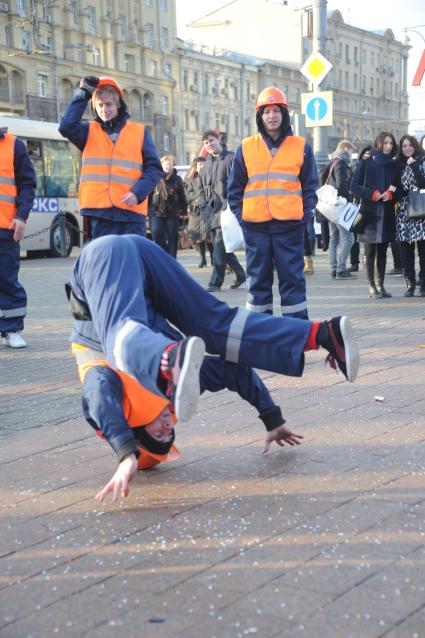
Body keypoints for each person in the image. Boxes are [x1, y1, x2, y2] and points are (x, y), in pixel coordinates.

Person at [67, 234, 360, 501]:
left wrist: (125, 454)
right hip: (142, 257)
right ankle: (322, 334)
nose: (168, 426)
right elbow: (234, 372)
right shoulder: (175, 394)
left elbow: (99, 397)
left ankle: (167, 359)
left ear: (135, 429)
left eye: (158, 433)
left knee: (120, 337)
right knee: (218, 326)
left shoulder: (113, 394)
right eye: (169, 434)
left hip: (101, 259)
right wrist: (271, 417)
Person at [228, 87, 319, 319]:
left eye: (276, 110)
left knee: (293, 283)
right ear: (260, 116)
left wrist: (304, 215)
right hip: (255, 227)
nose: (271, 116)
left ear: (284, 113)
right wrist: (243, 218)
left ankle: (295, 337)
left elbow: (310, 186)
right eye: (266, 111)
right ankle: (261, 338)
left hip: (289, 227)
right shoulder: (246, 147)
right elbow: (234, 189)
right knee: (258, 284)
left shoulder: (301, 146)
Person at [59, 76, 163, 239]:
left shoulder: (139, 132)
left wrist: (137, 193)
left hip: (131, 212)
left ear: (118, 104)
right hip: (101, 212)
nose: (104, 110)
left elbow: (155, 169)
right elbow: (66, 127)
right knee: (106, 262)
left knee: (132, 260)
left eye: (108, 104)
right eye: (99, 105)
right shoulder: (88, 131)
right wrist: (83, 94)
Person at [351, 131, 400, 299]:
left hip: (387, 213)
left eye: (391, 143)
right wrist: (371, 193)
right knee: (370, 251)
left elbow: (399, 188)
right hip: (369, 212)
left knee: (383, 252)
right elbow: (354, 186)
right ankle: (371, 286)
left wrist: (391, 194)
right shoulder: (365, 164)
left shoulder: (395, 165)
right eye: (385, 143)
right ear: (378, 144)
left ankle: (381, 285)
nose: (388, 146)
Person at [0, 126, 36, 349]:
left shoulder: (13, 145)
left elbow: (27, 184)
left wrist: (21, 216)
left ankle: (11, 329)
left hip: (5, 226)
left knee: (7, 281)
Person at [197, 130, 246, 292]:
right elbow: (200, 191)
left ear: (219, 140)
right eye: (206, 143)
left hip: (228, 212)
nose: (209, 145)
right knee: (224, 248)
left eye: (211, 141)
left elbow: (241, 183)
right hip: (211, 214)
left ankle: (214, 283)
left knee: (219, 247)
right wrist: (205, 210)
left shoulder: (232, 158)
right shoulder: (205, 166)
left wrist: (234, 206)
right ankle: (240, 274)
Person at [395, 135, 425, 296]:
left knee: (423, 250)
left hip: (421, 209)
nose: (407, 148)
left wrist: (413, 166)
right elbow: (398, 188)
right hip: (404, 211)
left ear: (415, 146)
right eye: (404, 146)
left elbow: (423, 184)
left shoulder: (422, 161)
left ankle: (424, 285)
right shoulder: (398, 164)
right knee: (406, 250)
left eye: (410, 145)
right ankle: (410, 284)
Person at [324, 140, 357, 279]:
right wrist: (348, 195)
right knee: (349, 237)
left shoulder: (331, 162)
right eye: (351, 151)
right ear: (345, 149)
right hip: (339, 206)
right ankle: (341, 269)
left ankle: (334, 268)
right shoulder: (340, 163)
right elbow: (341, 183)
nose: (351, 154)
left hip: (329, 207)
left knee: (334, 237)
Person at [151, 155, 187, 258]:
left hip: (172, 212)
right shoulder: (155, 177)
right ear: (161, 165)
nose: (167, 166)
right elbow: (149, 195)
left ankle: (172, 259)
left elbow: (182, 197)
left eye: (170, 164)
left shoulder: (177, 179)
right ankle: (164, 254)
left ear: (173, 166)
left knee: (173, 237)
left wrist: (184, 212)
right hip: (157, 211)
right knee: (156, 233)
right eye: (165, 164)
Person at [185, 156, 213, 268]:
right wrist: (198, 198)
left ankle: (213, 258)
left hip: (209, 210)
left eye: (203, 164)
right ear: (195, 167)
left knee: (210, 236)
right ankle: (203, 259)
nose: (202, 166)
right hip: (196, 212)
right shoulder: (191, 180)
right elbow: (188, 195)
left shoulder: (211, 177)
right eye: (199, 165)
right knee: (199, 237)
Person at [349, 145, 372, 273]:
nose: (367, 155)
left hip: (369, 206)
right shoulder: (356, 166)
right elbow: (352, 185)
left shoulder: (375, 168)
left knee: (367, 236)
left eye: (369, 153)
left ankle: (367, 263)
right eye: (365, 153)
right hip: (356, 205)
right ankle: (354, 263)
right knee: (354, 235)